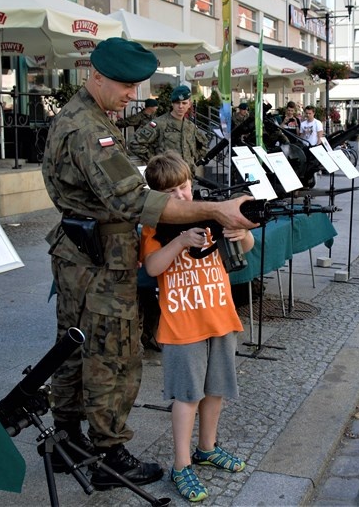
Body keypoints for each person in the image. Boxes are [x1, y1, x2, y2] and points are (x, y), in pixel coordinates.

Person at [41, 37, 256, 489]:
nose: (131, 95)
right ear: (95, 76)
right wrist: (214, 211)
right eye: (124, 85)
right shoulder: (87, 128)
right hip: (99, 264)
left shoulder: (90, 116)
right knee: (112, 356)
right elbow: (134, 199)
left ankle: (65, 439)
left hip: (81, 255)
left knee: (73, 347)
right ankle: (107, 454)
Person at [139, 151, 253, 501]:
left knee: (215, 389)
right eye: (170, 194)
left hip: (218, 317)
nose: (180, 198)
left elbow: (246, 247)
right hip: (182, 325)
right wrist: (180, 241)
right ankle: (181, 465)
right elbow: (152, 268)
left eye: (184, 188)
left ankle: (206, 448)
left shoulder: (208, 214)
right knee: (187, 396)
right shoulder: (153, 226)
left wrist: (239, 234)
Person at [129, 85, 208, 166]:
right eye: (177, 103)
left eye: (184, 103)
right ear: (172, 104)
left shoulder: (191, 127)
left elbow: (203, 146)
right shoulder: (159, 124)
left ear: (189, 104)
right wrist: (157, 162)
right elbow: (135, 143)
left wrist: (192, 160)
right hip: (166, 175)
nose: (180, 106)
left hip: (186, 175)